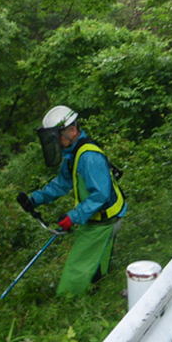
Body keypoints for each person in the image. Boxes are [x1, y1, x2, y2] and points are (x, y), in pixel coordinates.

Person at [17, 105, 127, 297]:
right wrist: (35, 199)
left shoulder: (89, 157)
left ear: (72, 130)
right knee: (97, 260)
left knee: (77, 265)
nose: (56, 142)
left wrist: (72, 217)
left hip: (105, 220)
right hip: (104, 216)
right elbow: (61, 184)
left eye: (56, 136)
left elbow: (99, 196)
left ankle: (68, 301)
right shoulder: (74, 154)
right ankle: (97, 289)